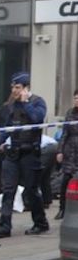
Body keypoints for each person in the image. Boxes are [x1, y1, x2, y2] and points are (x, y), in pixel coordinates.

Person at [0, 72, 49, 238]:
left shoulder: (37, 102)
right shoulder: (12, 105)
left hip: (30, 153)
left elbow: (37, 120)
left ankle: (40, 222)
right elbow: (8, 126)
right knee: (8, 190)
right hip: (13, 152)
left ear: (26, 88)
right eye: (13, 87)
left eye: (17, 87)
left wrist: (26, 103)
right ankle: (4, 227)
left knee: (31, 190)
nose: (14, 90)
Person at [55, 89, 78, 220]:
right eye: (75, 98)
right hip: (70, 152)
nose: (76, 101)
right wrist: (60, 150)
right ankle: (62, 208)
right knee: (65, 181)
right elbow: (64, 134)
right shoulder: (70, 113)